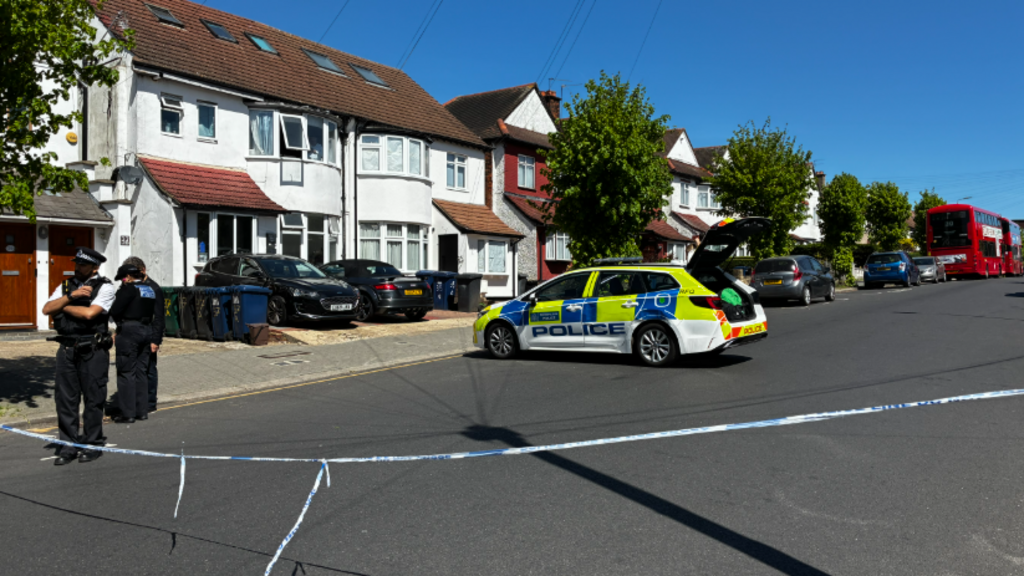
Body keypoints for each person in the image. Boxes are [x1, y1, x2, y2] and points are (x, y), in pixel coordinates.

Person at [42, 247, 115, 466]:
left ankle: (92, 444)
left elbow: (90, 313)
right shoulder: (66, 286)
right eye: (76, 263)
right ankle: (68, 445)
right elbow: (46, 309)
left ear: (95, 267)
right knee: (65, 400)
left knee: (93, 399)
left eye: (83, 264)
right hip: (66, 349)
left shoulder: (105, 287)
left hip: (92, 349)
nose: (78, 267)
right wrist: (71, 297)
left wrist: (63, 306)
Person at [108, 263, 157, 424]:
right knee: (141, 371)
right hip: (146, 330)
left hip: (129, 331)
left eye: (122, 278)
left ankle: (127, 413)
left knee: (126, 371)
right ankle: (141, 411)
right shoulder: (148, 289)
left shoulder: (128, 289)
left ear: (128, 277)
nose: (122, 281)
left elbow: (115, 310)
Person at [122, 256, 164, 412]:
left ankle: (150, 402)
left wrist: (156, 340)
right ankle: (135, 401)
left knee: (149, 369)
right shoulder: (128, 286)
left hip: (148, 334)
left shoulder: (154, 288)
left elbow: (159, 317)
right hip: (130, 334)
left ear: (143, 270)